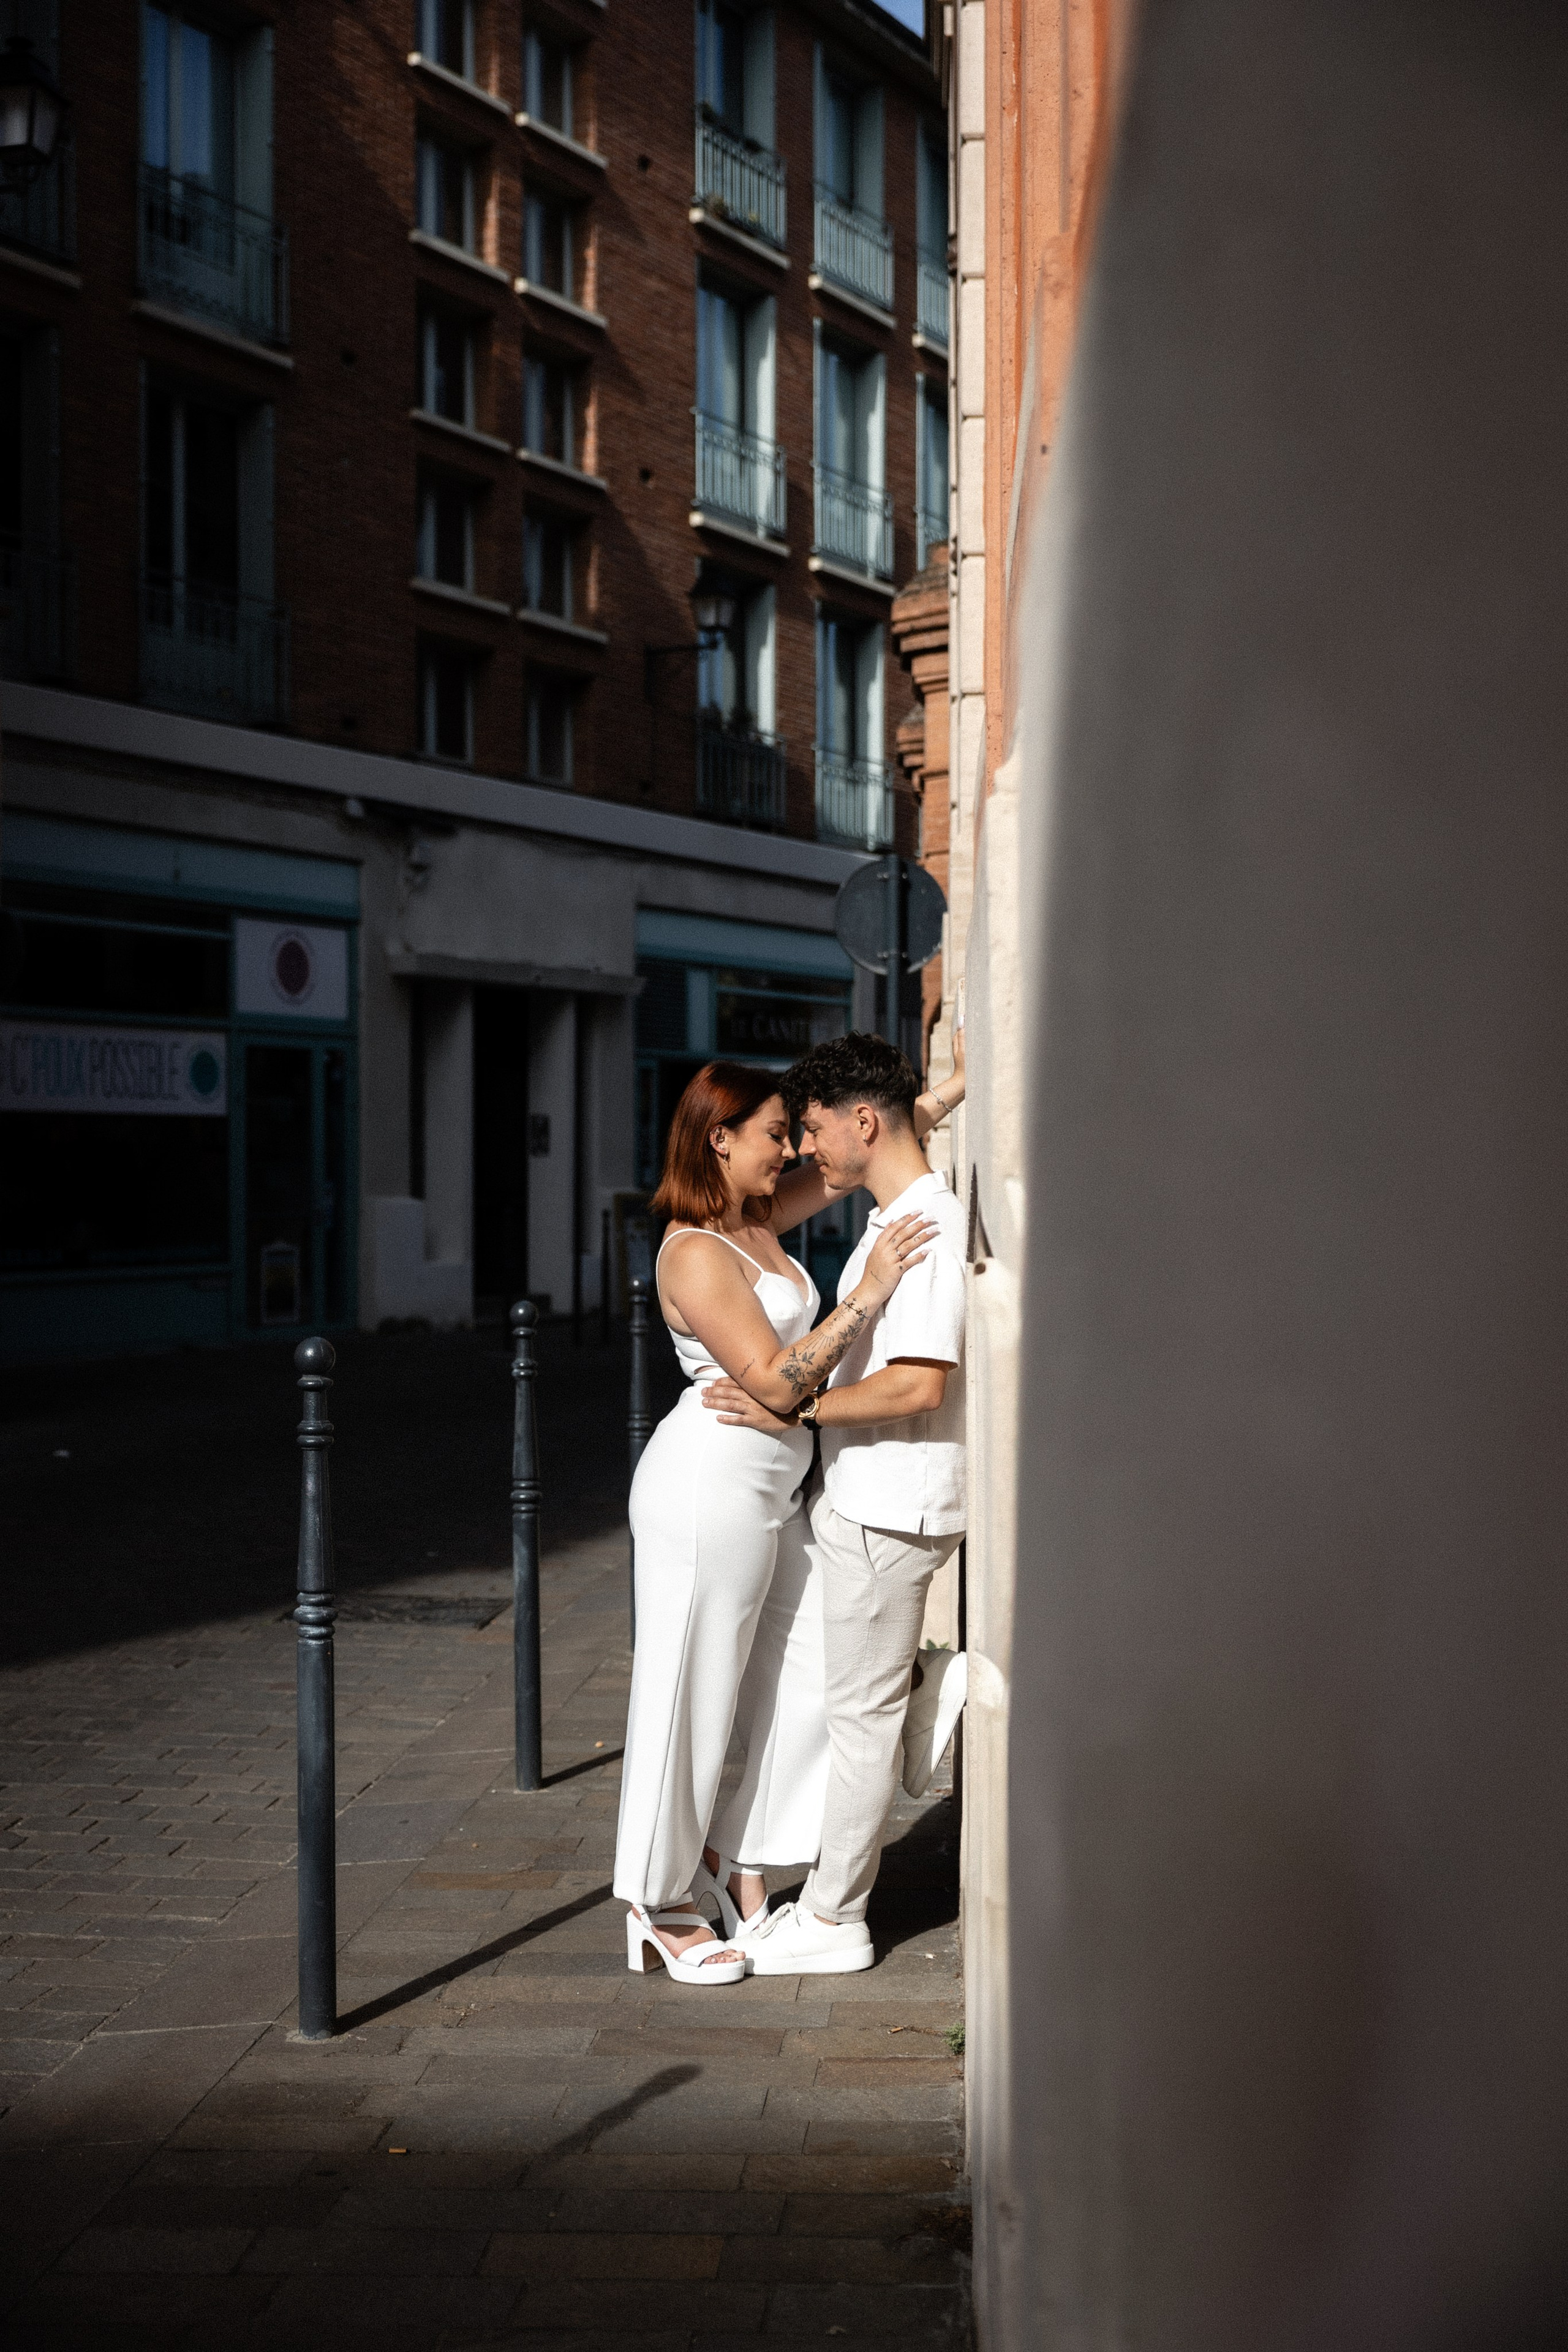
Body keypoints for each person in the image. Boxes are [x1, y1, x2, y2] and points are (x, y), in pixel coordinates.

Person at [611, 1059, 937, 1986]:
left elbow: (861, 1150)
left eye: (796, 1131)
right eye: (774, 1134)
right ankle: (657, 1903)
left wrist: (942, 1094)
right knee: (690, 1692)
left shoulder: (754, 1222)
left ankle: (738, 1856)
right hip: (706, 1491)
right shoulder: (694, 1252)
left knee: (816, 1670)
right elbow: (775, 1384)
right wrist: (869, 1292)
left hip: (772, 1494)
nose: (792, 1149)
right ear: (720, 1139)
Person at [701, 1033, 967, 1975]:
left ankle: (835, 1917)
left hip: (891, 1505)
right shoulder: (896, 1213)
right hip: (865, 1496)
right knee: (842, 1697)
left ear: (863, 1123)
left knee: (859, 1722)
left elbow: (918, 1384)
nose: (805, 1150)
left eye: (811, 1129)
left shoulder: (923, 1226)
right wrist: (949, 1088)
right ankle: (923, 1687)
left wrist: (797, 1406)